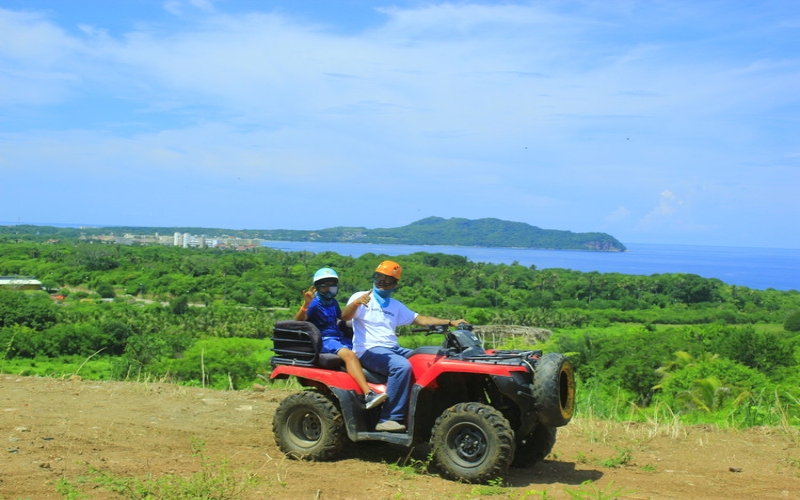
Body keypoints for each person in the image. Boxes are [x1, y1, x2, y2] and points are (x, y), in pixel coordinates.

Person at [342, 260, 467, 433]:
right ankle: (389, 418)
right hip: (368, 350)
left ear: (394, 284)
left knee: (425, 360)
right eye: (378, 277)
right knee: (401, 366)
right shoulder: (361, 297)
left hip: (393, 348)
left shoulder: (395, 306)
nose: (381, 282)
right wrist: (356, 303)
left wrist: (451, 322)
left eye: (387, 280)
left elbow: (420, 319)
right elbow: (345, 316)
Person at [296, 267, 387, 410]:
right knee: (349, 355)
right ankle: (368, 394)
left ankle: (376, 384)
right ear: (317, 287)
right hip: (324, 340)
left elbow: (343, 316)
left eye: (331, 287)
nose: (328, 290)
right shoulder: (314, 303)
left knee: (362, 350)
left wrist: (357, 304)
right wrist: (306, 305)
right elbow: (298, 321)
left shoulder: (332, 302)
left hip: (338, 337)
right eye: (324, 287)